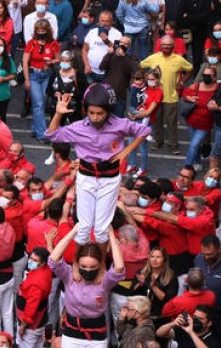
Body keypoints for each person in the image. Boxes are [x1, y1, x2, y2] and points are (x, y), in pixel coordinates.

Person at [46, 85, 150, 246]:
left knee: (101, 230)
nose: (95, 117)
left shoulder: (120, 124)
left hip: (110, 178)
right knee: (84, 228)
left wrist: (126, 151)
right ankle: (80, 264)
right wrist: (58, 113)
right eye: (91, 112)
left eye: (100, 113)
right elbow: (52, 134)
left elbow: (144, 131)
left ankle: (100, 263)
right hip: (86, 176)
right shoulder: (78, 127)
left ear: (108, 111)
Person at [49, 224, 125, 348]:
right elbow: (53, 259)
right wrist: (76, 230)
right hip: (72, 335)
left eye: (92, 266)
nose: (87, 270)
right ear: (77, 264)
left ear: (99, 265)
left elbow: (120, 267)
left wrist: (110, 235)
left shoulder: (105, 281)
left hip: (96, 339)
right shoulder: (69, 276)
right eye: (83, 266)